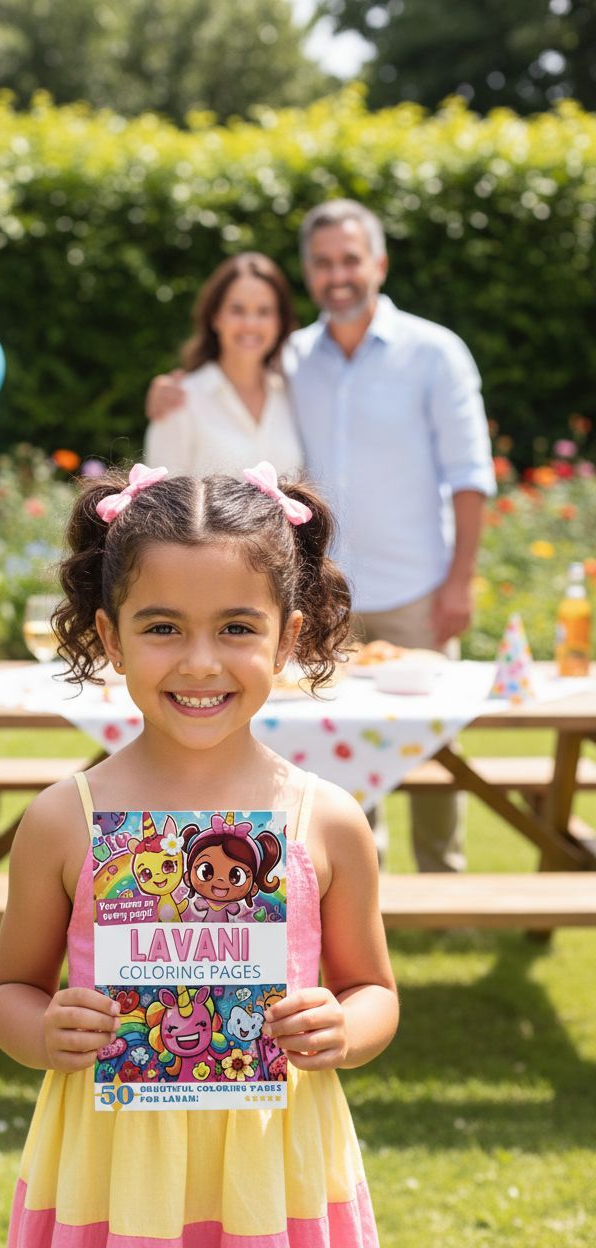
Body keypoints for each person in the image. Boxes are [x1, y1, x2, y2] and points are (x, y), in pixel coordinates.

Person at [0, 462, 399, 1247]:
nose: (201, 662)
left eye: (237, 628)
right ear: (111, 637)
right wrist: (44, 1031)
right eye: (163, 626)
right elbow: (9, 986)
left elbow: (374, 989)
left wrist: (343, 1027)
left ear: (288, 639)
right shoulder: (63, 820)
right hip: (114, 1171)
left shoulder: (329, 821)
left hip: (275, 1166)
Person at [147, 201, 496, 872]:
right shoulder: (292, 358)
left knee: (432, 754)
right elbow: (224, 389)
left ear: (379, 264)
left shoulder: (434, 353)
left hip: (416, 590)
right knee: (334, 757)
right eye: (324, 263)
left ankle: (443, 886)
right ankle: (356, 892)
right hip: (317, 596)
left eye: (350, 260)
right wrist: (170, 391)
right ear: (309, 273)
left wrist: (460, 581)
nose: (339, 275)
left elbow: (470, 475)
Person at [143, 252, 304, 477]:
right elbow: (160, 503)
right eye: (237, 310)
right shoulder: (179, 400)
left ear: (280, 321)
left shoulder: (294, 393)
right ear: (215, 317)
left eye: (264, 311)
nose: (250, 324)